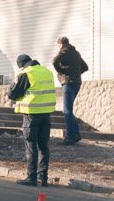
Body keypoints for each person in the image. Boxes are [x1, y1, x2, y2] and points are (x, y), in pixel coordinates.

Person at [8, 54, 57, 186]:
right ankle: (43, 178)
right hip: (46, 114)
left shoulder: (26, 73)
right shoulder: (47, 72)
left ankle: (31, 178)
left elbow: (13, 94)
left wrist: (11, 87)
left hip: (31, 115)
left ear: (21, 65)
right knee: (43, 146)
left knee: (31, 146)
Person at [51, 36, 89, 144]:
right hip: (77, 83)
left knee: (67, 111)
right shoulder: (76, 53)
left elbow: (54, 61)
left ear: (61, 44)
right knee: (69, 110)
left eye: (58, 45)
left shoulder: (64, 52)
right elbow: (85, 67)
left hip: (68, 83)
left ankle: (70, 136)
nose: (58, 47)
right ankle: (75, 134)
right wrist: (75, 73)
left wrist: (62, 71)